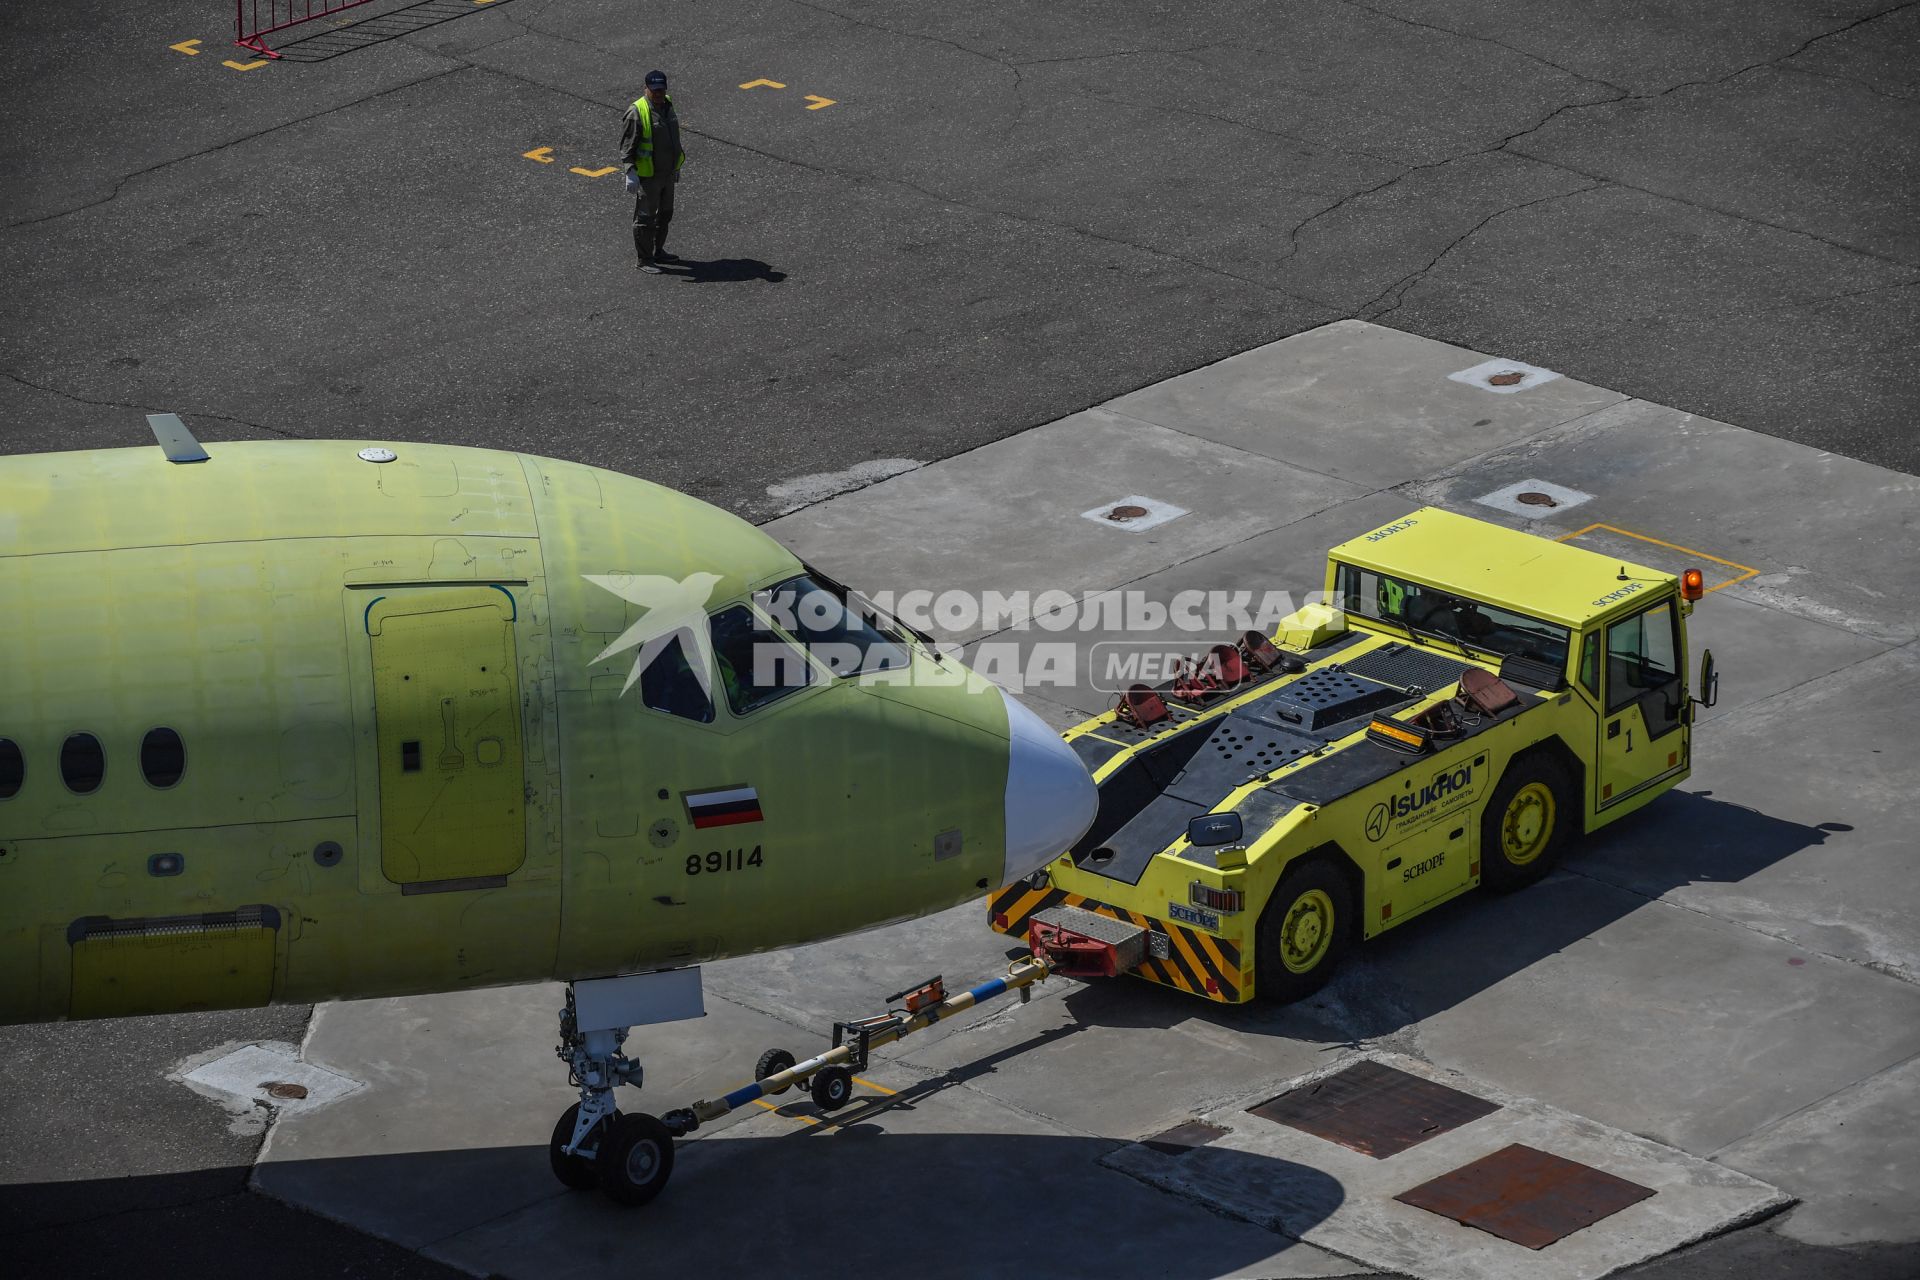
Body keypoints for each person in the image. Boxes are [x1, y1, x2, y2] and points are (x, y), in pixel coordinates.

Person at [620, 70, 686, 273]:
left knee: (665, 215)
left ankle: (658, 251)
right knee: (645, 219)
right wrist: (629, 171)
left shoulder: (667, 104)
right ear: (646, 89)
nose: (658, 93)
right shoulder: (637, 112)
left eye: (661, 89)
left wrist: (675, 167)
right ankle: (644, 259)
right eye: (654, 90)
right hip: (648, 176)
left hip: (667, 174)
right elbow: (626, 146)